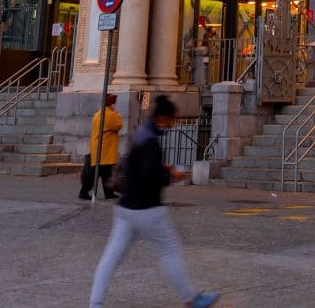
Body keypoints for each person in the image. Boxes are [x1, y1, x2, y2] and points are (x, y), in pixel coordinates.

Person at [88, 96, 219, 308]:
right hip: (147, 208)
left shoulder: (141, 133)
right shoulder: (150, 141)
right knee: (169, 250)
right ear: (162, 118)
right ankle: (191, 299)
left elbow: (139, 167)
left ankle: (95, 303)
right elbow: (149, 177)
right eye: (171, 120)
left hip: (125, 207)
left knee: (112, 256)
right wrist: (171, 175)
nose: (173, 124)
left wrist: (162, 168)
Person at [80, 93, 123, 201]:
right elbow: (118, 125)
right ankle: (84, 192)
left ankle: (109, 193)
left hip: (100, 147)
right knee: (95, 173)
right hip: (104, 149)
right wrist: (117, 114)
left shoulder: (99, 114)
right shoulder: (110, 115)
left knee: (106, 173)